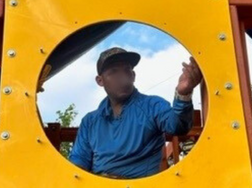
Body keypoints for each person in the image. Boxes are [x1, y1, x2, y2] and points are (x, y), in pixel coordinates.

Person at [69, 47, 202, 179]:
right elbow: (78, 165)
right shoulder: (90, 122)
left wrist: (183, 93)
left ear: (133, 76)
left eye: (127, 70)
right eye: (113, 71)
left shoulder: (152, 105)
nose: (122, 76)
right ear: (100, 81)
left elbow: (178, 125)